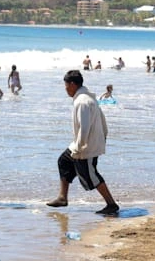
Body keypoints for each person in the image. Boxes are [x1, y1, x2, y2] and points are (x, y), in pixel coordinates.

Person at [46, 70, 120, 216]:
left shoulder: (82, 102)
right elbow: (103, 122)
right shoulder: (86, 98)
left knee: (90, 176)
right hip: (84, 143)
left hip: (86, 147)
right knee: (64, 161)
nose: (65, 89)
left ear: (72, 84)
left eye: (66, 86)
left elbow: (84, 128)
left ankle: (111, 204)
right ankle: (62, 197)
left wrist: (79, 148)